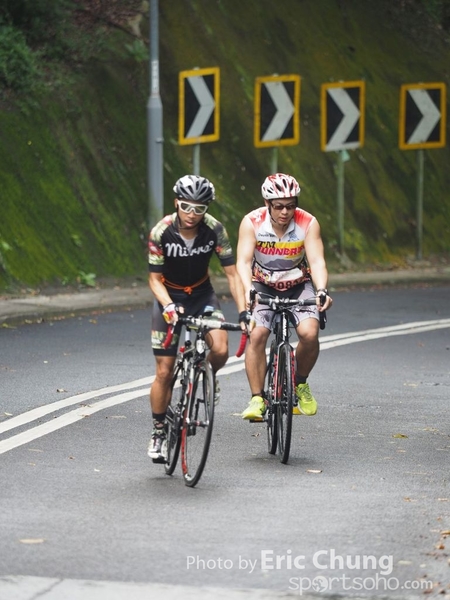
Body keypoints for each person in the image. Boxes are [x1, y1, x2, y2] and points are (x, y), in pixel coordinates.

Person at [147, 174, 247, 462]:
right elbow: (154, 280)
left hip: (202, 296)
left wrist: (244, 312)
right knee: (164, 372)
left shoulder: (215, 230)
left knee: (221, 348)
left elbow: (232, 275)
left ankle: (207, 374)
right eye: (186, 207)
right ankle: (158, 431)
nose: (192, 214)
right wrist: (168, 305)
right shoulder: (161, 232)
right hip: (169, 298)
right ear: (176, 203)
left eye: (199, 209)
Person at [236, 173, 333, 420]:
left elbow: (317, 261)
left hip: (298, 285)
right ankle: (257, 398)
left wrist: (322, 290)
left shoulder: (308, 223)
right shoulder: (252, 222)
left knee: (309, 333)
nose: (285, 212)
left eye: (291, 206)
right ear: (267, 203)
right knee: (257, 334)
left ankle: (300, 383)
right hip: (262, 285)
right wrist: (248, 289)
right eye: (278, 206)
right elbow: (243, 262)